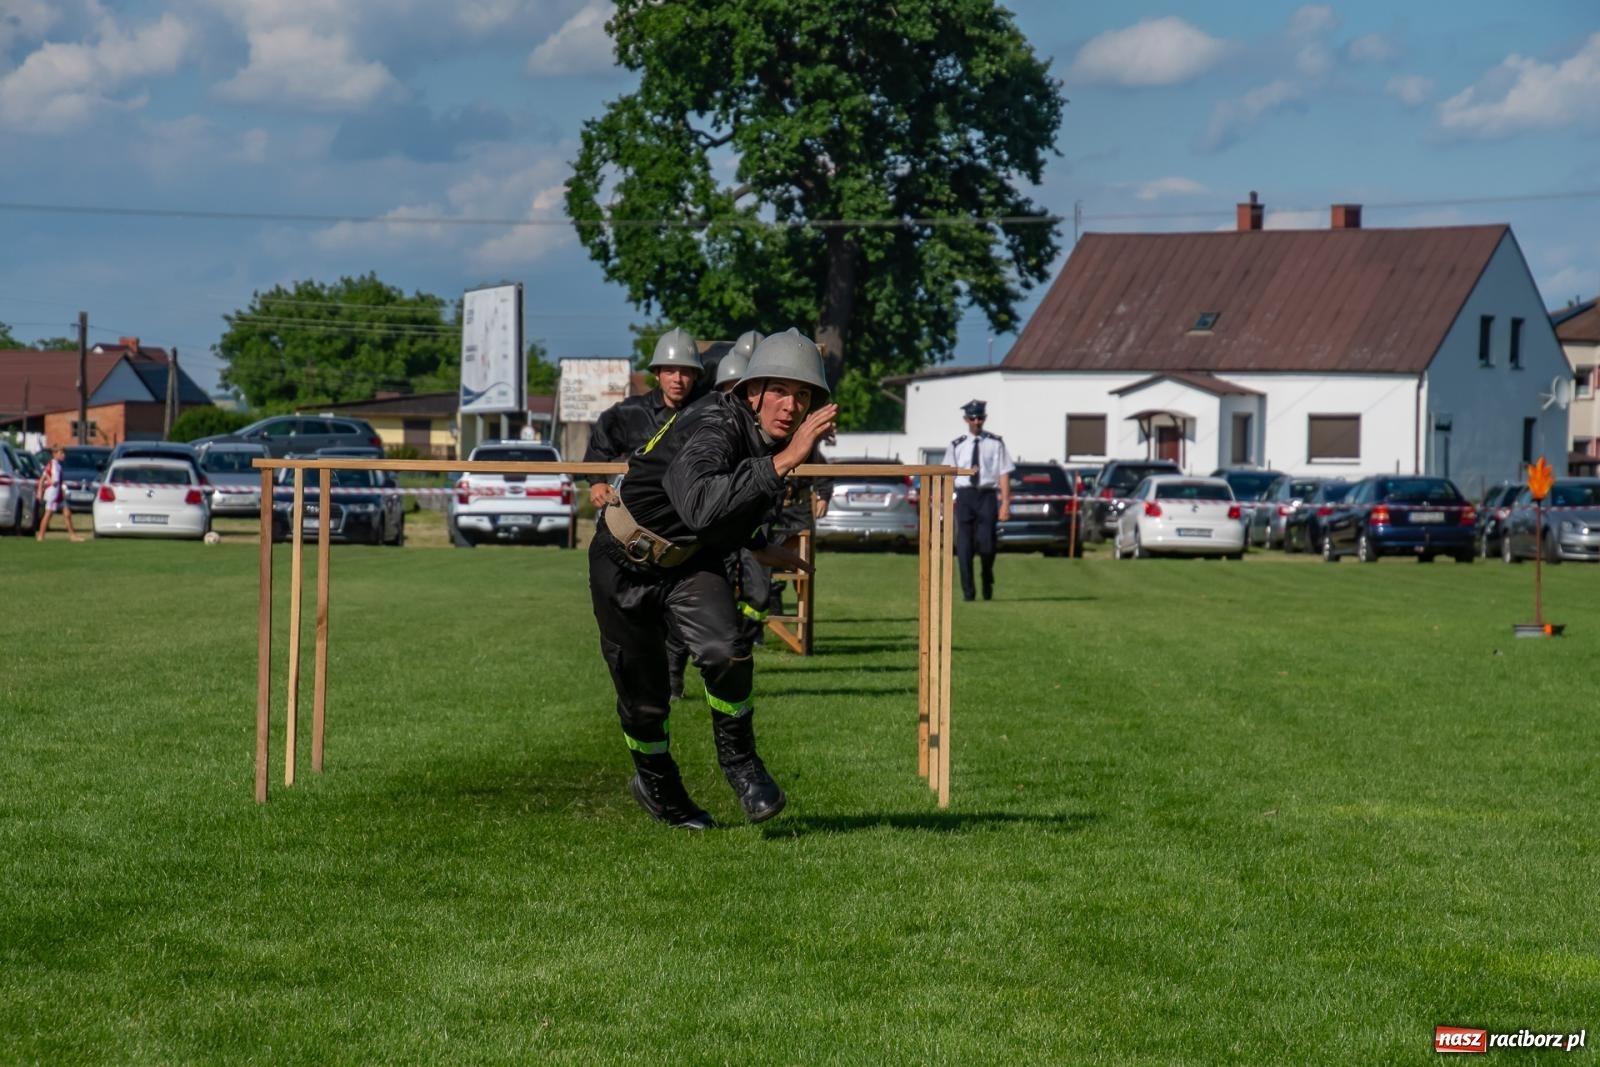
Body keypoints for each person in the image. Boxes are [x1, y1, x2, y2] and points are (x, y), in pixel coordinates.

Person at [588, 328, 837, 829]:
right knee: (644, 698)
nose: (791, 406)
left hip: (688, 562)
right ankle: (658, 786)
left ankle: (742, 764)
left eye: (803, 395)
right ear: (752, 392)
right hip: (622, 559)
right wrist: (788, 460)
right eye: (781, 391)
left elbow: (720, 513)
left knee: (726, 651)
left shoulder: (762, 437)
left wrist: (753, 541)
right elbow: (700, 503)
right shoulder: (713, 423)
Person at [584, 326, 704, 697]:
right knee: (632, 613)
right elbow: (600, 445)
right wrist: (596, 482)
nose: (678, 379)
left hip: (685, 530)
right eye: (671, 371)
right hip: (632, 532)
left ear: (695, 375)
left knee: (682, 617)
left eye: (685, 371)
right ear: (657, 374)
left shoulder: (707, 412)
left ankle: (673, 680)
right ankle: (642, 680)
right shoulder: (631, 413)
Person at [942, 399, 1012, 601]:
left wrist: (1005, 503)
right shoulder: (956, 445)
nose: (977, 421)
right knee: (964, 547)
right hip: (965, 496)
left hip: (987, 495)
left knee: (988, 544)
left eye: (980, 417)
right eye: (973, 418)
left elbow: (1004, 473)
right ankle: (968, 593)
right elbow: (948, 475)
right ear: (966, 419)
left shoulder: (995, 443)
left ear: (985, 418)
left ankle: (987, 575)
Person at [35, 444, 83, 542]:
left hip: (59, 494)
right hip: (53, 494)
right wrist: (42, 489)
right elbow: (44, 476)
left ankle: (72, 536)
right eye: (61, 453)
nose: (63, 455)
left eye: (64, 453)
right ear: (55, 454)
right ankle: (40, 536)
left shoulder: (57, 465)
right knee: (48, 514)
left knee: (67, 513)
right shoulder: (52, 464)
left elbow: (46, 476)